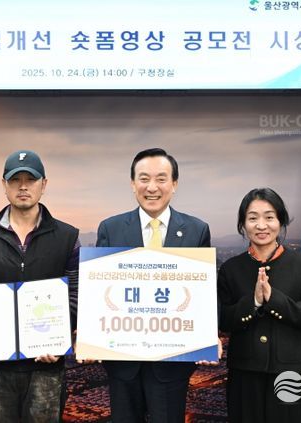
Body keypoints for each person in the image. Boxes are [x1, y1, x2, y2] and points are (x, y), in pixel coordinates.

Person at [0, 149, 80, 422]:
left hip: (46, 365)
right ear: (4, 185)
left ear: (44, 184)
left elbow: (76, 295)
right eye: (15, 180)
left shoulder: (67, 236)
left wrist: (59, 338)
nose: (23, 186)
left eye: (31, 179)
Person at [95, 147, 211, 423]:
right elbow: (99, 293)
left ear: (174, 184)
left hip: (173, 363)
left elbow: (204, 293)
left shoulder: (197, 230)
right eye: (144, 178)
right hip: (122, 362)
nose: (152, 187)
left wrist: (208, 333)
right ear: (132, 183)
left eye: (161, 179)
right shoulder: (111, 228)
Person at [218, 188, 301, 423]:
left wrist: (274, 299)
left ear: (281, 221)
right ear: (243, 224)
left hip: (289, 373)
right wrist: (254, 302)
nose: (261, 225)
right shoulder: (231, 269)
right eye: (252, 218)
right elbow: (222, 319)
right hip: (244, 371)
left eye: (269, 217)